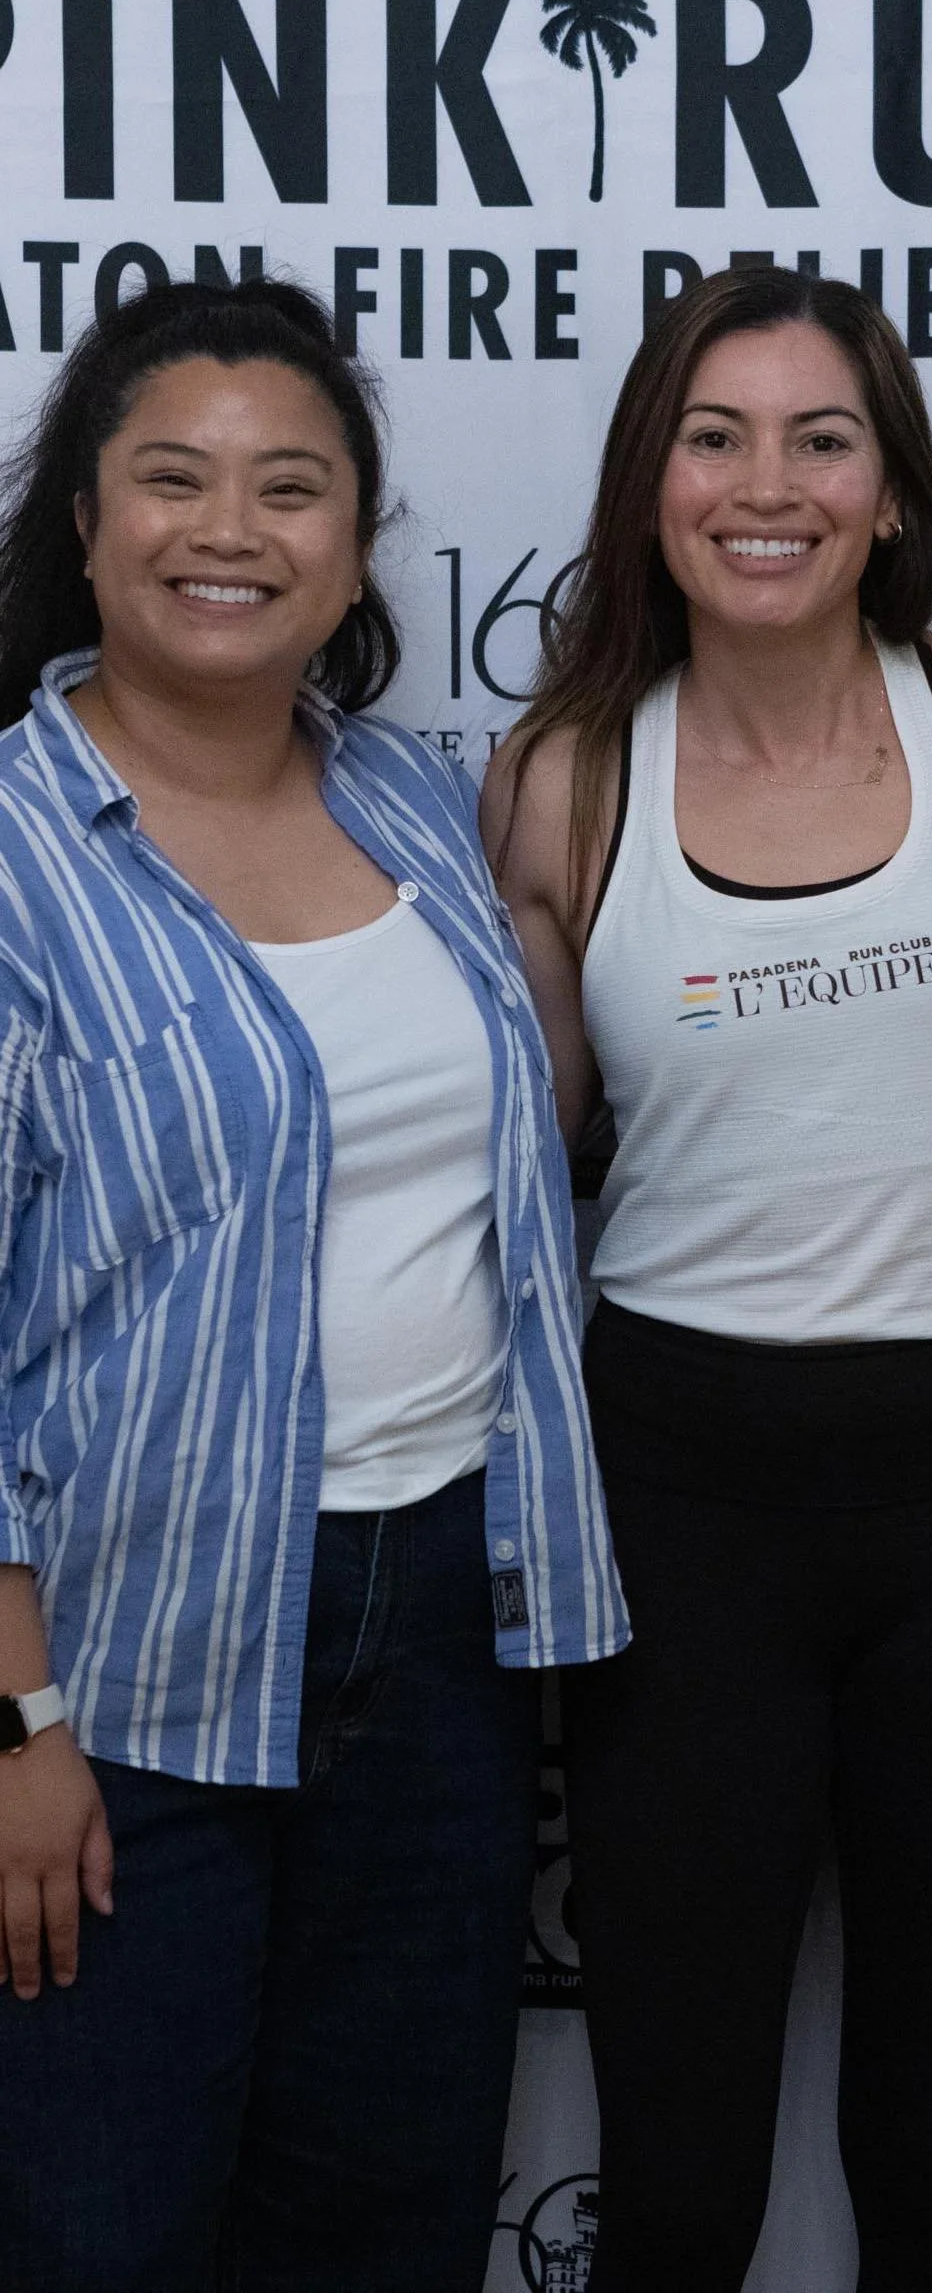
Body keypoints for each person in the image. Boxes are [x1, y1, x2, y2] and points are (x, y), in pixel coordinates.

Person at [484, 263, 932, 2293]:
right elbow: (527, 1151)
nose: (765, 485)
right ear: (651, 483)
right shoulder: (564, 777)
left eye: (821, 438)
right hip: (681, 1513)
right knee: (678, 2178)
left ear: (892, 491)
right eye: (715, 437)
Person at [0, 277, 626, 2293]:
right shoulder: (14, 850)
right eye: (171, 478)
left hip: (438, 1637)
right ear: (84, 521)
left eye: (289, 487)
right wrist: (14, 1721)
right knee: (101, 2233)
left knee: (383, 2222)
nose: (229, 529)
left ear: (354, 550)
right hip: (119, 1666)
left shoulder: (410, 800)